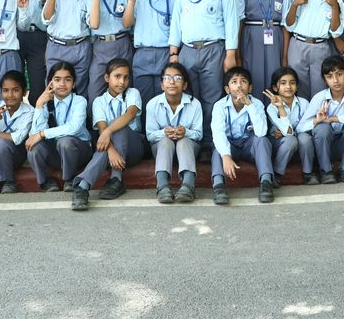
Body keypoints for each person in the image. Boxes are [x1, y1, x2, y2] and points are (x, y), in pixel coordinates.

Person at [168, 0, 241, 152]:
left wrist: (230, 55)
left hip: (214, 50)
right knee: (189, 98)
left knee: (211, 99)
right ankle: (191, 142)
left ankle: (210, 144)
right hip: (187, 50)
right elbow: (176, 22)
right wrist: (174, 52)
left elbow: (231, 24)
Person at [70, 58, 146, 210]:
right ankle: (83, 187)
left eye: (126, 77)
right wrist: (111, 151)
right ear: (106, 78)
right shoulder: (99, 102)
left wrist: (110, 131)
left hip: (134, 147)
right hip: (110, 152)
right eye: (117, 76)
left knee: (120, 126)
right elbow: (102, 129)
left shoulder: (132, 93)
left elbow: (129, 114)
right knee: (107, 135)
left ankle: (116, 178)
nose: (122, 82)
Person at [209, 66, 276, 205]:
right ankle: (218, 186)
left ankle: (266, 183)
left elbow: (261, 132)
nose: (239, 85)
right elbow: (218, 133)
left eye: (243, 81)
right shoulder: (219, 106)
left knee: (262, 140)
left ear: (250, 88)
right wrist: (226, 156)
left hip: (248, 144)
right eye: (234, 82)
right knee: (218, 149)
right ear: (227, 89)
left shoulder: (256, 104)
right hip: (230, 144)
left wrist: (249, 105)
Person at [285, 0, 344, 99]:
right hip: (298, 45)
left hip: (321, 47)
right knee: (298, 86)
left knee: (320, 87)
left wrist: (334, 7)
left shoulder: (337, 1)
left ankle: (318, 112)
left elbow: (335, 31)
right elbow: (289, 24)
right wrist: (295, 4)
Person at [26, 61, 92, 191]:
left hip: (78, 151)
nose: (62, 84)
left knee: (65, 141)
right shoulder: (46, 103)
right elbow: (35, 135)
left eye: (67, 80)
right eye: (57, 79)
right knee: (34, 147)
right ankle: (45, 181)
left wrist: (42, 134)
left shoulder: (79, 101)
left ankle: (69, 179)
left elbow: (73, 127)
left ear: (73, 84)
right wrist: (39, 105)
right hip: (56, 153)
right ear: (50, 83)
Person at [123, 0, 176, 111]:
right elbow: (126, 23)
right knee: (143, 98)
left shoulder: (174, 0)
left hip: (165, 53)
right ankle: (146, 127)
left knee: (165, 97)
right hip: (142, 53)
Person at [146, 62, 203, 204]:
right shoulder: (152, 104)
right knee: (165, 140)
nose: (172, 82)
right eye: (167, 78)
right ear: (161, 85)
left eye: (177, 78)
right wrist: (164, 132)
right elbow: (150, 136)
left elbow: (199, 134)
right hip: (162, 150)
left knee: (184, 140)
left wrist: (186, 132)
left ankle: (188, 186)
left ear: (185, 85)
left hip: (188, 149)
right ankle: (163, 186)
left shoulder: (194, 104)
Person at [41, 0, 96, 88]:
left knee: (80, 87)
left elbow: (91, 23)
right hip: (57, 46)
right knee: (54, 89)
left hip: (81, 47)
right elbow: (46, 19)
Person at [237, 0, 288, 97]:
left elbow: (285, 26)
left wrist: (285, 56)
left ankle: (275, 109)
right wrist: (238, 55)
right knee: (253, 73)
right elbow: (238, 26)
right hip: (251, 39)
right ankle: (255, 108)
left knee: (275, 73)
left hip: (276, 38)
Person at [307, 56, 344, 183]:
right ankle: (326, 171)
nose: (335, 80)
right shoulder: (319, 98)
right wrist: (316, 121)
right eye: (329, 76)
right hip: (324, 147)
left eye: (339, 74)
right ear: (324, 80)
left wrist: (334, 119)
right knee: (322, 128)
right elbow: (300, 127)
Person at [88, 0, 133, 100]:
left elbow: (128, 23)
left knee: (124, 87)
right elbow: (94, 24)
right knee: (96, 88)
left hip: (122, 43)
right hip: (101, 46)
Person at [263, 66, 315, 185]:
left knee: (304, 137)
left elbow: (307, 126)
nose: (288, 87)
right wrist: (281, 107)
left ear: (297, 86)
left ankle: (308, 173)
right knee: (291, 140)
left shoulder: (304, 103)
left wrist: (292, 133)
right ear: (275, 88)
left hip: (301, 145)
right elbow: (289, 133)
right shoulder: (272, 107)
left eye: (292, 83)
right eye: (283, 83)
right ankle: (277, 174)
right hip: (281, 145)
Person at [14, 0, 49, 100]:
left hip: (39, 36)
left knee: (38, 83)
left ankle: (38, 112)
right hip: (16, 36)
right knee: (16, 82)